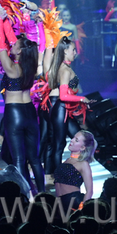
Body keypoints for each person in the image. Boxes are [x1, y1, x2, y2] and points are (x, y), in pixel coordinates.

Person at [0, 27, 45, 194]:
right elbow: (42, 46)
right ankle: (42, 193)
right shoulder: (32, 67)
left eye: (14, 44)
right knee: (34, 159)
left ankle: (25, 195)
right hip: (30, 112)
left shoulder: (12, 68)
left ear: (19, 51)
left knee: (18, 158)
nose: (11, 44)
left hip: (15, 113)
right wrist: (40, 27)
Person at [50, 37, 89, 168]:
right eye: (73, 50)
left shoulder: (65, 67)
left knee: (82, 139)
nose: (75, 52)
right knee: (59, 145)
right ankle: (58, 175)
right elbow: (63, 96)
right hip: (61, 110)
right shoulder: (65, 70)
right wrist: (81, 99)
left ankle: (76, 169)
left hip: (66, 110)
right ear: (65, 51)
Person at [54, 130, 96, 208]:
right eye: (73, 138)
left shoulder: (83, 164)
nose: (72, 140)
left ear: (82, 147)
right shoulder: (67, 160)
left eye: (76, 140)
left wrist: (82, 208)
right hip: (59, 203)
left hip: (73, 203)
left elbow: (89, 191)